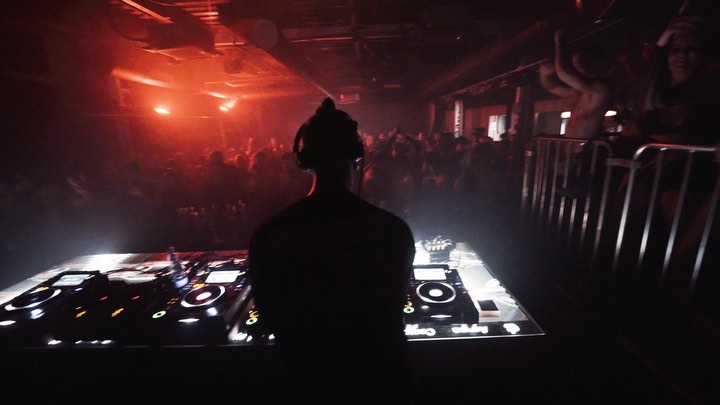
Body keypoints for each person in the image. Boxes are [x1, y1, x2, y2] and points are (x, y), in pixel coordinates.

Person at [248, 98, 417, 404]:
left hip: (306, 384)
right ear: (357, 155)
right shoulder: (393, 230)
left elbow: (269, 318)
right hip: (380, 383)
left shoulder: (269, 235)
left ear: (303, 160)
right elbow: (394, 311)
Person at [539, 29, 612, 140]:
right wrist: (544, 74)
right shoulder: (577, 91)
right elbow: (551, 87)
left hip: (586, 149)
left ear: (595, 63)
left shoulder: (601, 89)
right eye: (574, 65)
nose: (577, 68)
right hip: (570, 148)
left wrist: (560, 41)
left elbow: (564, 72)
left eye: (580, 63)